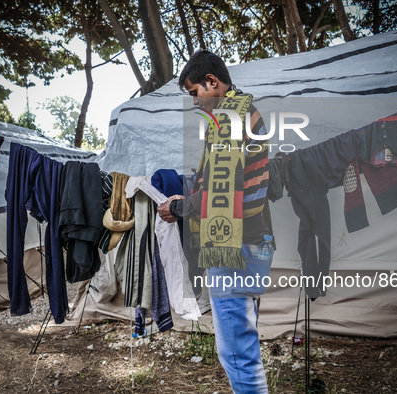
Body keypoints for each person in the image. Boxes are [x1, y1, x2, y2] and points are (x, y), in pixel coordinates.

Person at [158, 50, 274, 394]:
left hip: (233, 248)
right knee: (243, 348)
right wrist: (188, 197)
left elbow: (221, 198)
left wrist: (178, 209)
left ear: (212, 82)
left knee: (238, 355)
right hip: (253, 242)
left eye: (195, 92)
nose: (195, 101)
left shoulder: (228, 118)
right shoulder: (243, 112)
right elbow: (225, 184)